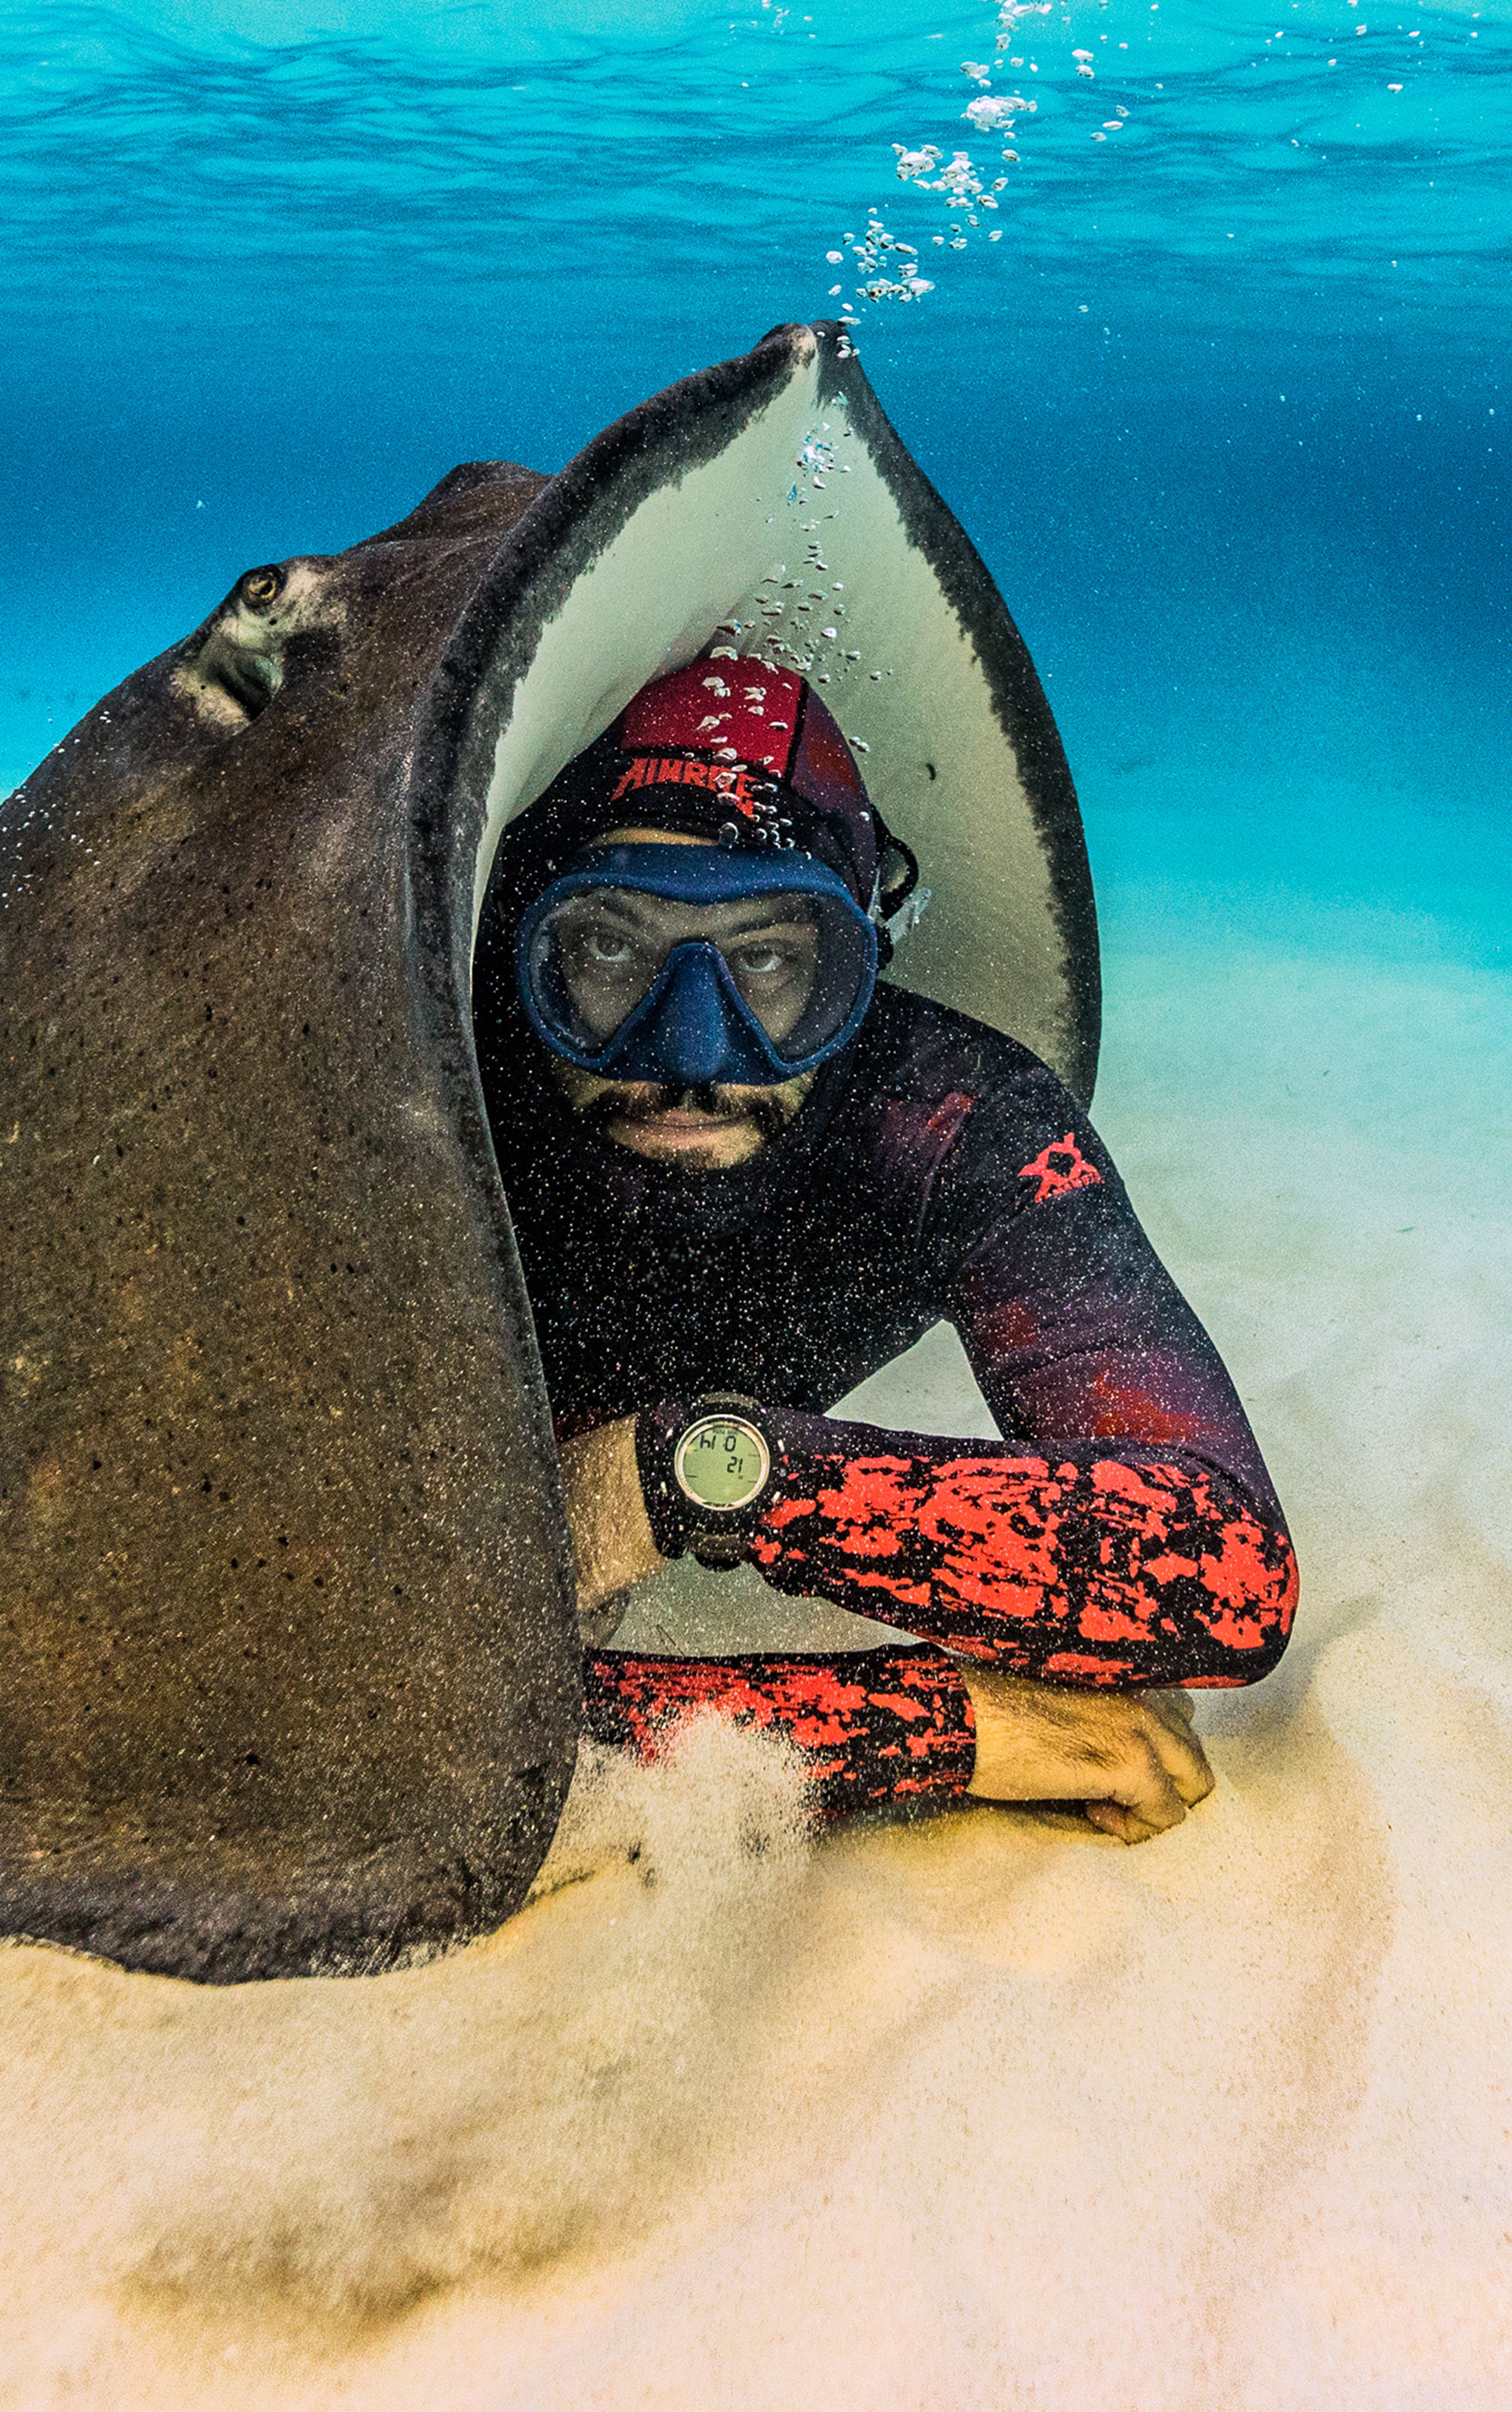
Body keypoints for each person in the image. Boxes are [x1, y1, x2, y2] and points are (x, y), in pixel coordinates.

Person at [473, 645, 1298, 1845]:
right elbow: (322, 1705)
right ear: (523, 951)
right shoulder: (432, 1110)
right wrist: (952, 1726)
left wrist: (686, 1477)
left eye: (765, 960)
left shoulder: (952, 1123)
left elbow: (1223, 1570)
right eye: (609, 951)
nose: (691, 1053)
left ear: (858, 966)